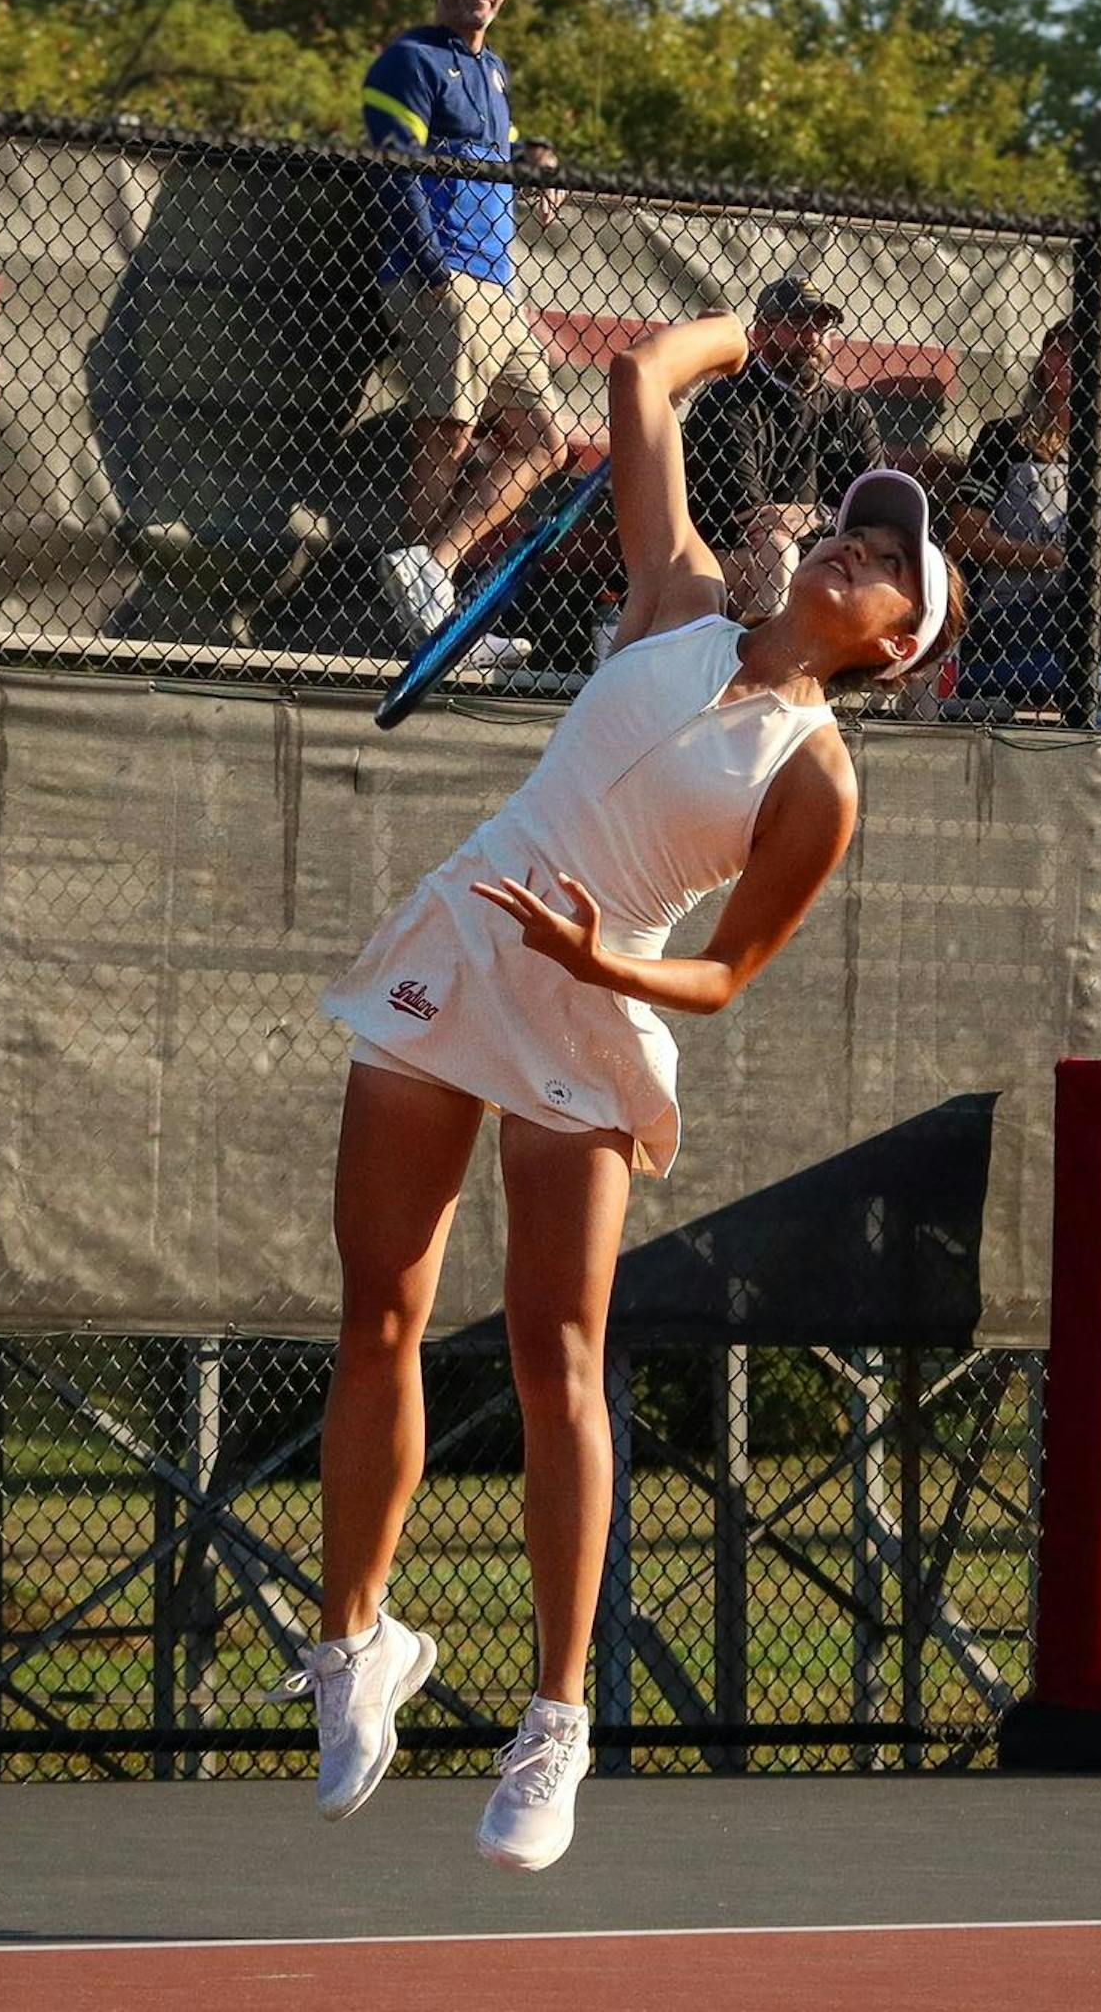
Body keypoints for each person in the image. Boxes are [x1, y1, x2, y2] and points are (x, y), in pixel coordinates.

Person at [300, 309, 964, 1872]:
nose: (853, 549)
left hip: (594, 998)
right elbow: (637, 381)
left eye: (886, 558)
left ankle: (555, 1721)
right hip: (465, 933)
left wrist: (604, 960)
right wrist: (744, 330)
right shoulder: (670, 601)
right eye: (852, 526)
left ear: (893, 642)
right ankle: (359, 1643)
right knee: (377, 1311)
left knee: (557, 1356)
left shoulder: (818, 780)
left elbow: (725, 976)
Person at [365, 0, 568, 657]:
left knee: (544, 442)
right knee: (444, 435)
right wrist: (431, 271)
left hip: (500, 286)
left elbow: (488, 147)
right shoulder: (408, 59)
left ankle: (434, 571)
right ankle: (426, 630)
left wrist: (533, 155)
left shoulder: (496, 70)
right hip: (439, 280)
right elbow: (394, 164)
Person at [952, 322, 1101, 708]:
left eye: (1086, 353)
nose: (1072, 362)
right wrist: (1062, 561)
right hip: (1019, 609)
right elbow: (965, 536)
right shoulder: (1005, 438)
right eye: (1061, 351)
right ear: (1045, 362)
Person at [679, 276, 886, 622]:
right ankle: (764, 669)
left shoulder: (851, 408)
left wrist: (815, 515)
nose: (813, 338)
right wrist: (840, 521)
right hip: (728, 563)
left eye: (822, 326)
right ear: (760, 334)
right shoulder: (729, 401)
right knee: (777, 552)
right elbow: (754, 521)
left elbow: (879, 509)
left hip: (829, 559)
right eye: (797, 325)